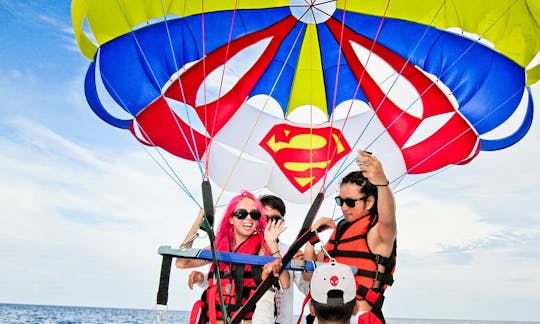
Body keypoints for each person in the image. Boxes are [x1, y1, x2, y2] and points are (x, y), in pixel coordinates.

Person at [304, 150, 397, 324]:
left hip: (360, 317)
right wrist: (312, 237)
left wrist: (382, 184)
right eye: (340, 201)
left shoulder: (378, 233)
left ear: (369, 202)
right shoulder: (340, 230)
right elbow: (309, 276)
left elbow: (388, 217)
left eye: (350, 202)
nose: (344, 208)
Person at [176, 190, 290, 323]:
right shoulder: (218, 247)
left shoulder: (263, 248)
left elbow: (285, 283)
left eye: (254, 214)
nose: (248, 218)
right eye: (241, 214)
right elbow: (182, 263)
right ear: (231, 218)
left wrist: (272, 244)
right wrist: (198, 222)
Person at [251, 195, 310, 324]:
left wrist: (306, 263)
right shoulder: (245, 248)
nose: (269, 223)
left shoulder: (291, 252)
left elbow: (307, 289)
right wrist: (201, 279)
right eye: (265, 218)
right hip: (249, 318)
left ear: (282, 222)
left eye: (275, 219)